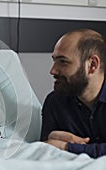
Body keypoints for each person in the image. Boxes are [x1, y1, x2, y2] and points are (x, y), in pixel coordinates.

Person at [40, 28, 106, 158]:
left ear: (92, 65)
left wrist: (67, 147)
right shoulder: (54, 103)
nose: (53, 71)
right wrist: (49, 141)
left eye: (63, 61)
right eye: (54, 61)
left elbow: (58, 148)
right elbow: (46, 150)